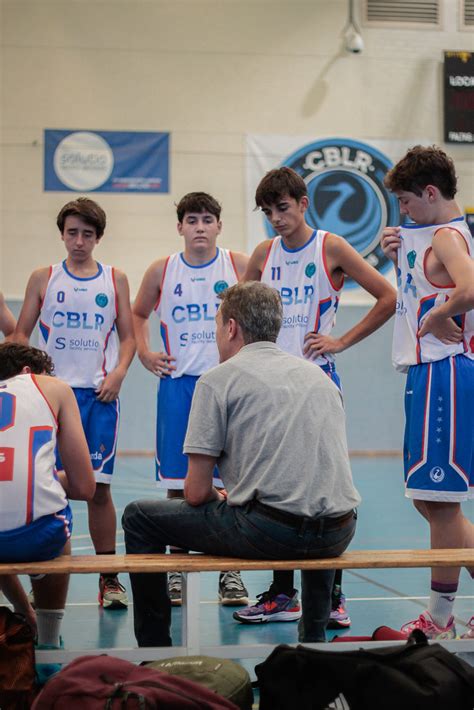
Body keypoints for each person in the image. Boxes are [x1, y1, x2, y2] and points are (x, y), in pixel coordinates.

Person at [123, 281, 360, 647]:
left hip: (272, 532)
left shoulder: (218, 380)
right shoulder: (320, 378)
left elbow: (197, 492)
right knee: (317, 504)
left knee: (139, 517)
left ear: (231, 327)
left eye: (218, 325)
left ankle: (156, 654)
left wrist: (223, 496)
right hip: (340, 531)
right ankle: (313, 643)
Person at [235, 167, 396, 627]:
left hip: (316, 382)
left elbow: (386, 296)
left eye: (282, 208)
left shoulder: (331, 247)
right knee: (270, 488)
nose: (276, 219)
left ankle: (335, 595)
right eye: (268, 212)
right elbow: (235, 310)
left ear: (304, 203)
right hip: (267, 385)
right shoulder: (264, 253)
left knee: (325, 487)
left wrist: (341, 341)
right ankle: (283, 593)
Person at [14, 197, 135, 610]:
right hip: (48, 400)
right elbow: (19, 336)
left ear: (98, 237)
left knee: (98, 489)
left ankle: (109, 579)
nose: (79, 241)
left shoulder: (115, 279)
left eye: (87, 234)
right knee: (49, 489)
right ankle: (46, 582)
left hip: (97, 398)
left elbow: (130, 337)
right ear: (62, 234)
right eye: (72, 233)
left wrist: (119, 373)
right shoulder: (42, 278)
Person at [132, 191, 249, 606]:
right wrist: (145, 351)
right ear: (180, 227)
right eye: (192, 220)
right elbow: (137, 313)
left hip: (229, 382)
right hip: (179, 385)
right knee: (177, 484)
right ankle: (177, 571)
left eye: (207, 220)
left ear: (219, 225)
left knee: (232, 480)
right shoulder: (162, 269)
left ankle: (230, 572)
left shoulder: (238, 265)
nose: (200, 227)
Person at [381, 145, 474, 640]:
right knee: (429, 500)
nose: (403, 212)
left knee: (440, 502)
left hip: (445, 371)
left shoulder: (445, 235)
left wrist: (437, 316)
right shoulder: (431, 234)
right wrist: (398, 254)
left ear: (431, 193)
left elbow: (471, 285)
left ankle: (439, 620)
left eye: (405, 201)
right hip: (429, 374)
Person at [0, 342, 95, 676]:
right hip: (38, 536)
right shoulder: (54, 388)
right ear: (29, 372)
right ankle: (49, 645)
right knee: (49, 516)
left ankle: (23, 610)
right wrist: (51, 478)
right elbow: (85, 487)